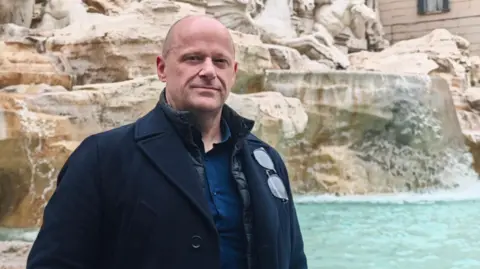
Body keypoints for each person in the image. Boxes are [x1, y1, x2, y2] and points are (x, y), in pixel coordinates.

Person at [26, 15, 308, 269]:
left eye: (219, 61)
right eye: (193, 58)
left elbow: (294, 260)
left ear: (233, 73)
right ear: (162, 68)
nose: (209, 71)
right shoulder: (101, 157)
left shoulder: (267, 161)